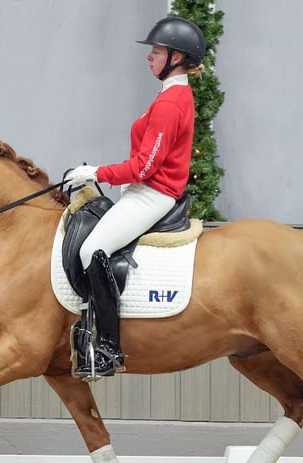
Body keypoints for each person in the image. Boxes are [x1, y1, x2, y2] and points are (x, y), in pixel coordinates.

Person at [65, 16, 206, 378]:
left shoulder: (170, 103)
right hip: (145, 190)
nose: (149, 57)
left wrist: (95, 173)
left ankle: (110, 348)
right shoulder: (170, 96)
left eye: (156, 52)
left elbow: (144, 167)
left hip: (152, 193)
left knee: (91, 250)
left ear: (176, 57)